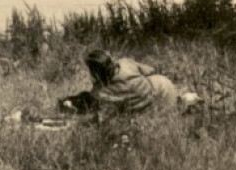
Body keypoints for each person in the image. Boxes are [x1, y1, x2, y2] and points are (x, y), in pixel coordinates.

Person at [61, 48, 189, 121]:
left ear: (95, 73)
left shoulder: (103, 92)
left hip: (157, 107)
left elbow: (101, 117)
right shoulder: (125, 63)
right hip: (165, 86)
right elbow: (150, 70)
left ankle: (68, 103)